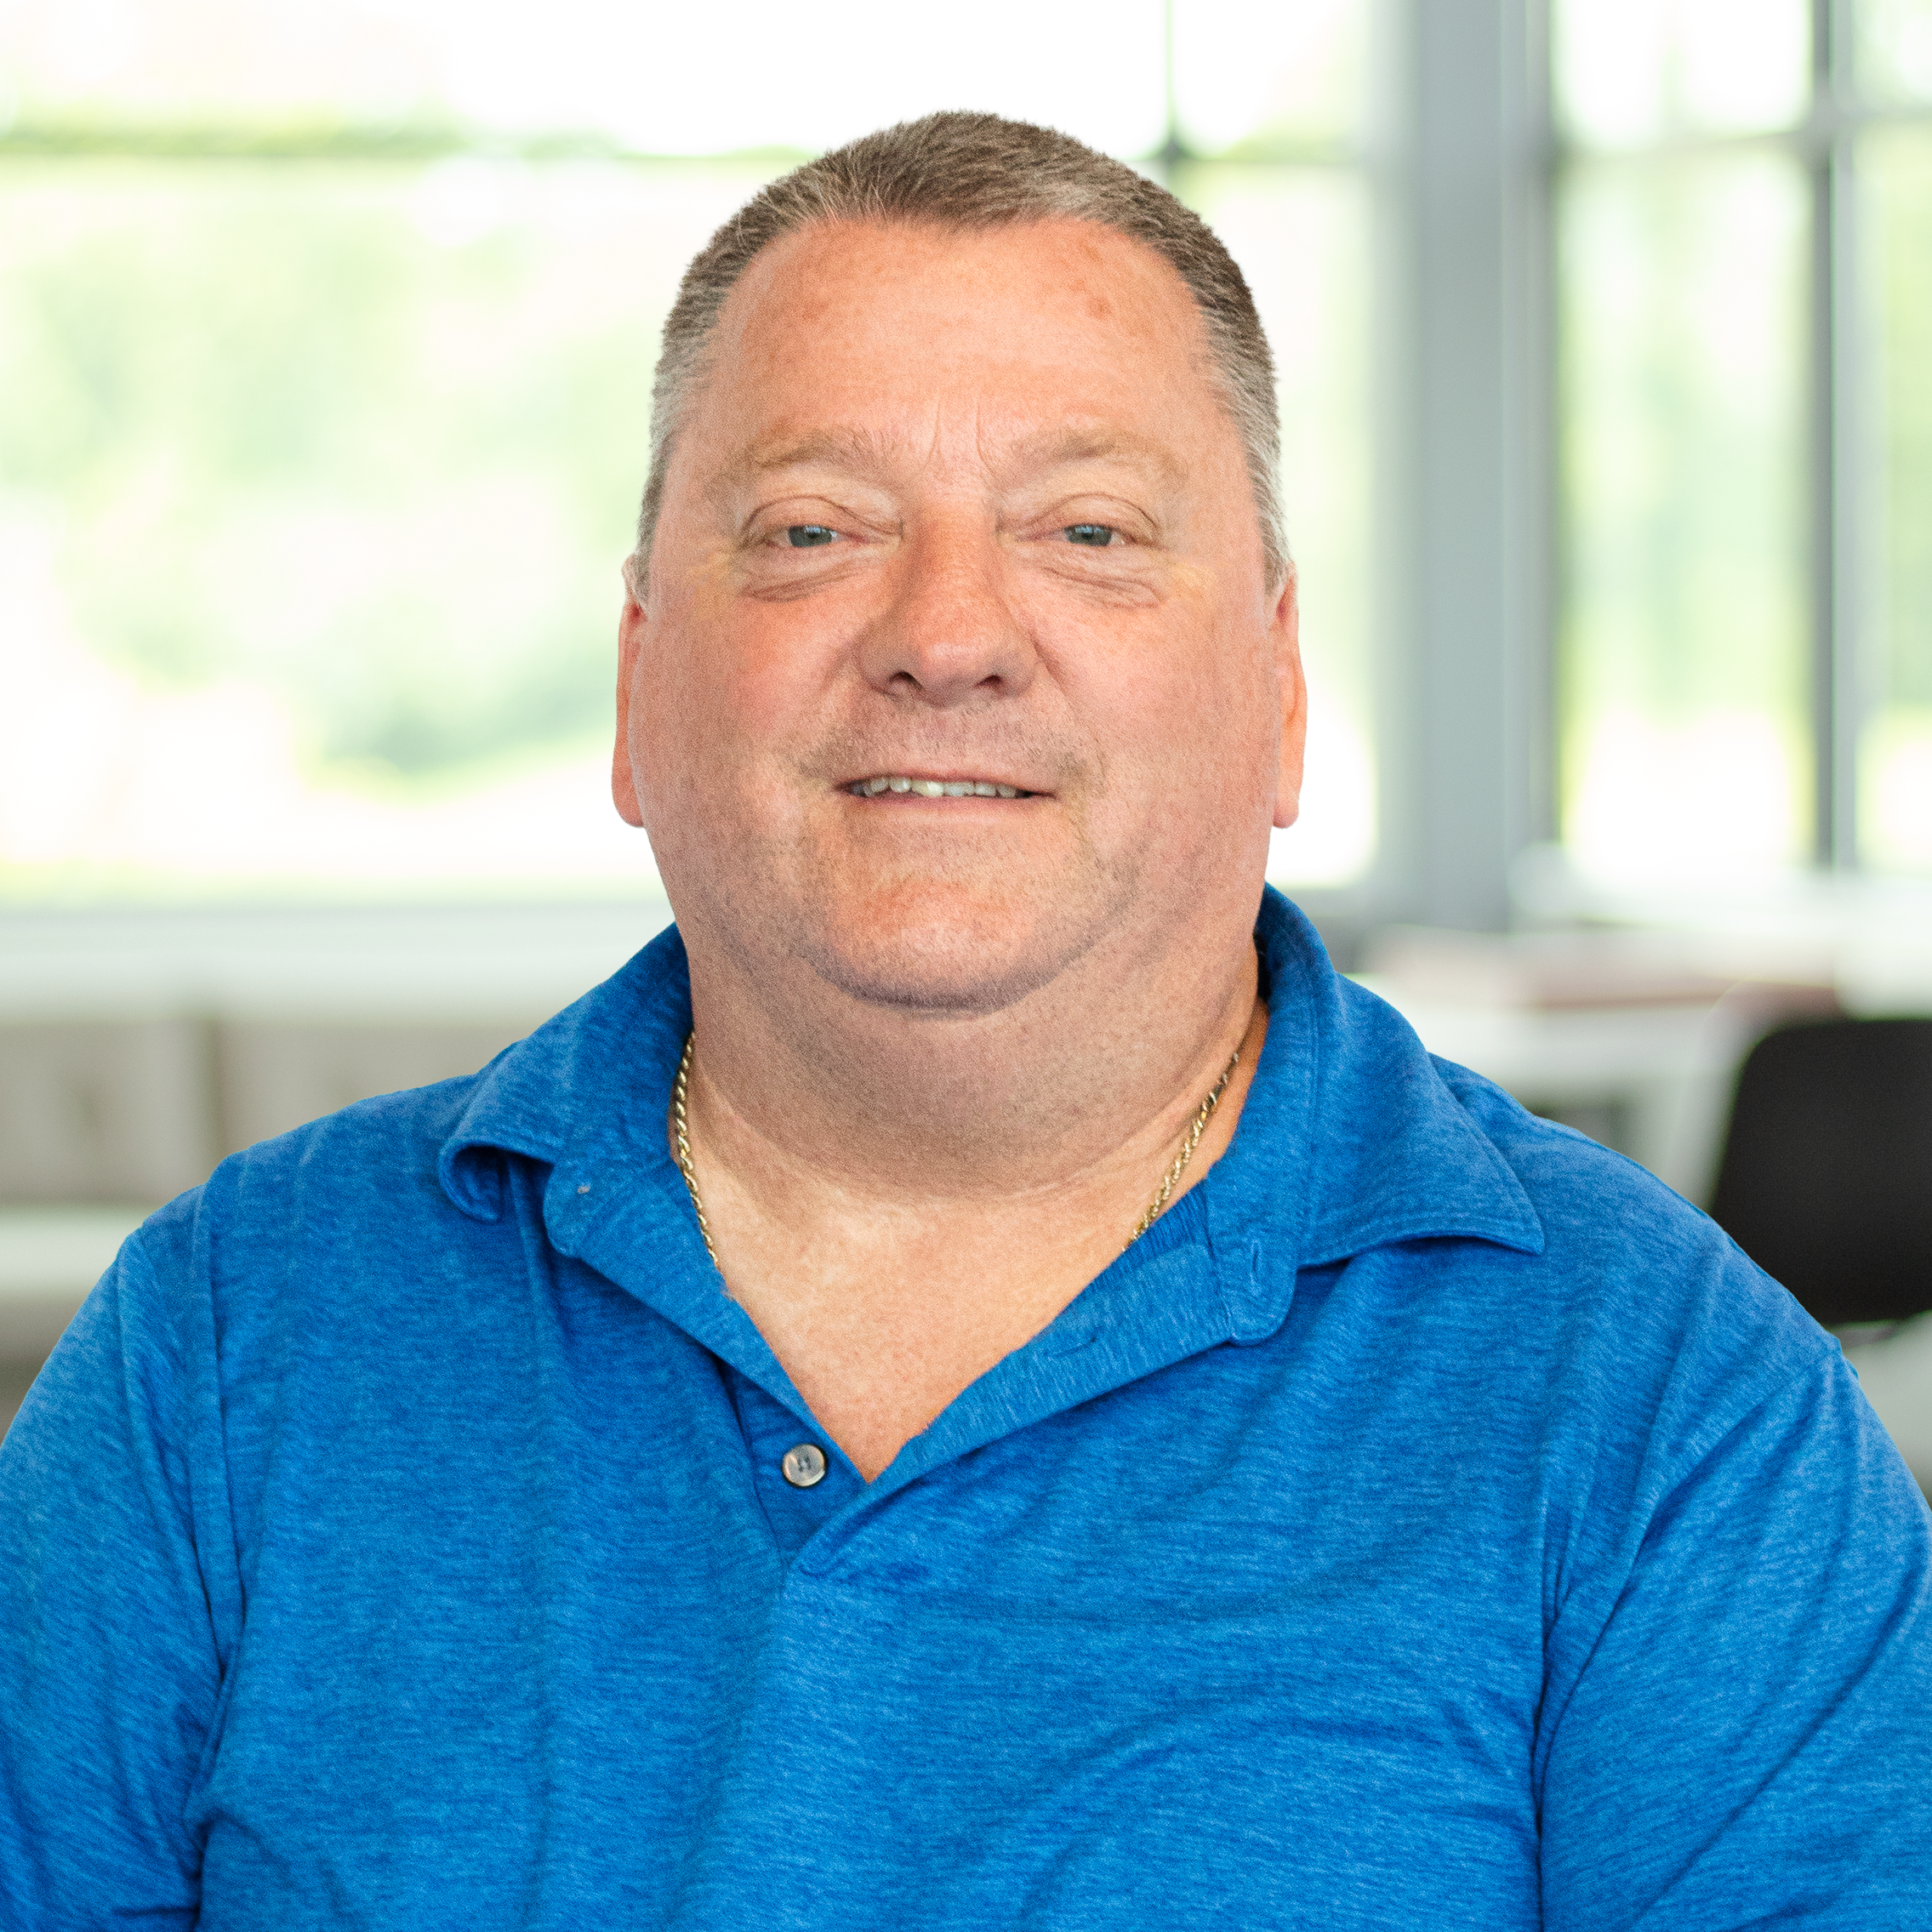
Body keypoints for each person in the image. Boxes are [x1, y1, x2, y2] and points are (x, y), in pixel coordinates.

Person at [2, 111, 1928, 1929]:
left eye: (1086, 531)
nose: (944, 633)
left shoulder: (1670, 1408)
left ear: (1275, 691)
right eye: (811, 529)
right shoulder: (225, 1345)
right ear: (639, 679)